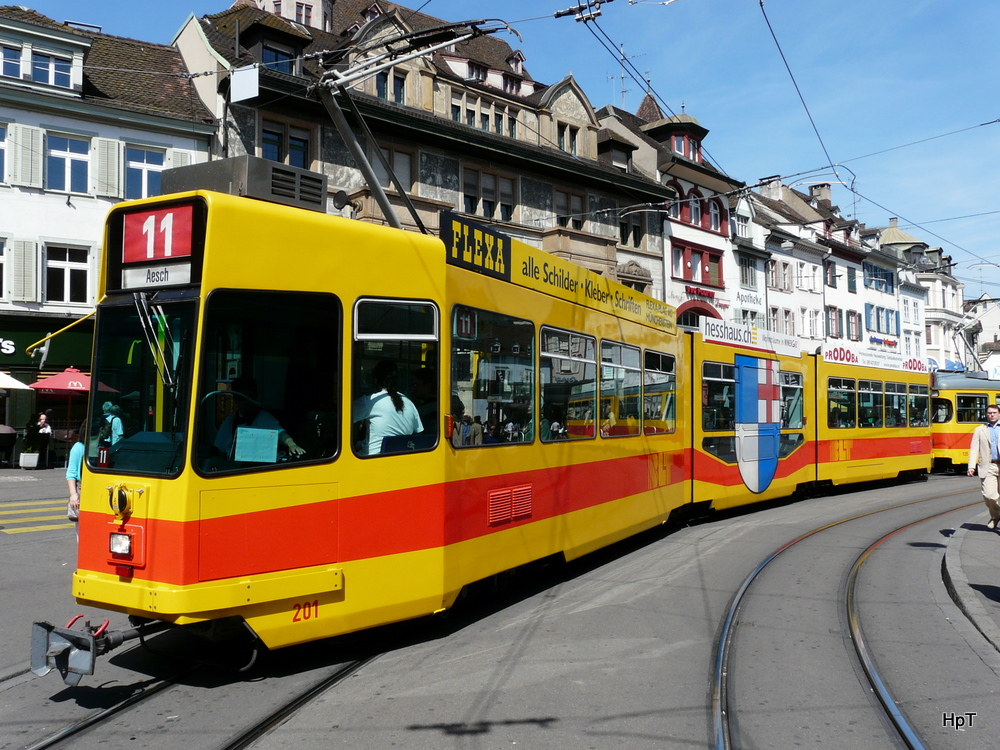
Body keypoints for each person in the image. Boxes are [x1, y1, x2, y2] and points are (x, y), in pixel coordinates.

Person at [213, 376, 304, 460]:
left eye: (250, 397)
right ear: (235, 399)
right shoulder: (229, 421)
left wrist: (292, 444)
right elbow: (218, 448)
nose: (246, 402)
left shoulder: (264, 417)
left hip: (258, 466)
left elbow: (281, 433)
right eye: (242, 398)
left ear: (256, 397)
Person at [352, 360, 423, 456]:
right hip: (401, 459)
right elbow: (418, 433)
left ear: (375, 380)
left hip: (371, 459)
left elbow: (342, 419)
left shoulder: (370, 401)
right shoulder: (409, 402)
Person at [968, 403, 1000, 530]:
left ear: (999, 414)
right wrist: (971, 466)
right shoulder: (980, 430)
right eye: (989, 413)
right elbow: (974, 449)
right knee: (989, 495)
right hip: (988, 465)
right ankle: (996, 515)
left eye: (994, 413)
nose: (991, 415)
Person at [66, 420, 86, 533]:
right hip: (83, 490)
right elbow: (71, 473)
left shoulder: (104, 446)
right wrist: (74, 495)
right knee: (82, 530)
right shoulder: (78, 447)